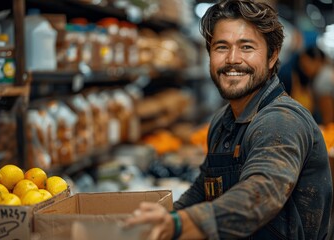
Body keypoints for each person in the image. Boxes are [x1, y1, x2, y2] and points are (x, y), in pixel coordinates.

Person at [124, 0, 333, 239]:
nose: (233, 59)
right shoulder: (223, 122)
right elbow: (204, 188)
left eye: (246, 47)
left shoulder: (280, 121)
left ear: (272, 56)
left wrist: (182, 224)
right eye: (222, 47)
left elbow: (263, 193)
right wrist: (168, 219)